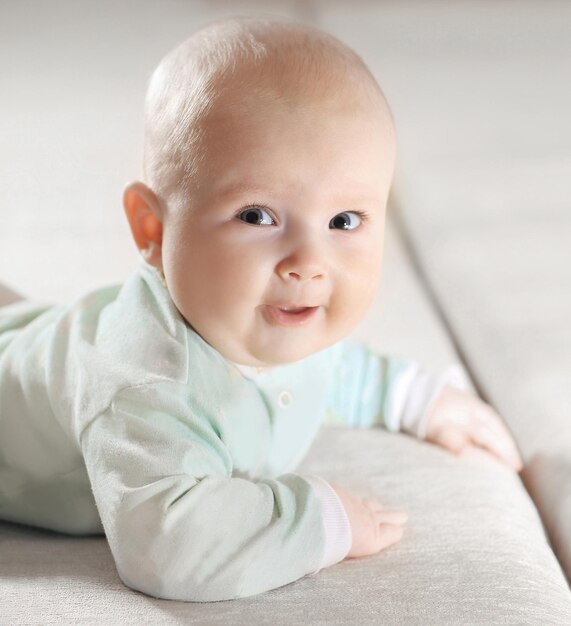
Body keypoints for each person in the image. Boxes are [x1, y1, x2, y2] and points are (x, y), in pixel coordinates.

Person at [0, 17, 523, 602]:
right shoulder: (146, 386)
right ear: (152, 228)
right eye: (257, 216)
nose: (308, 262)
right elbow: (168, 546)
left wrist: (420, 401)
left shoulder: (268, 320)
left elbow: (333, 372)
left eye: (343, 222)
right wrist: (321, 520)